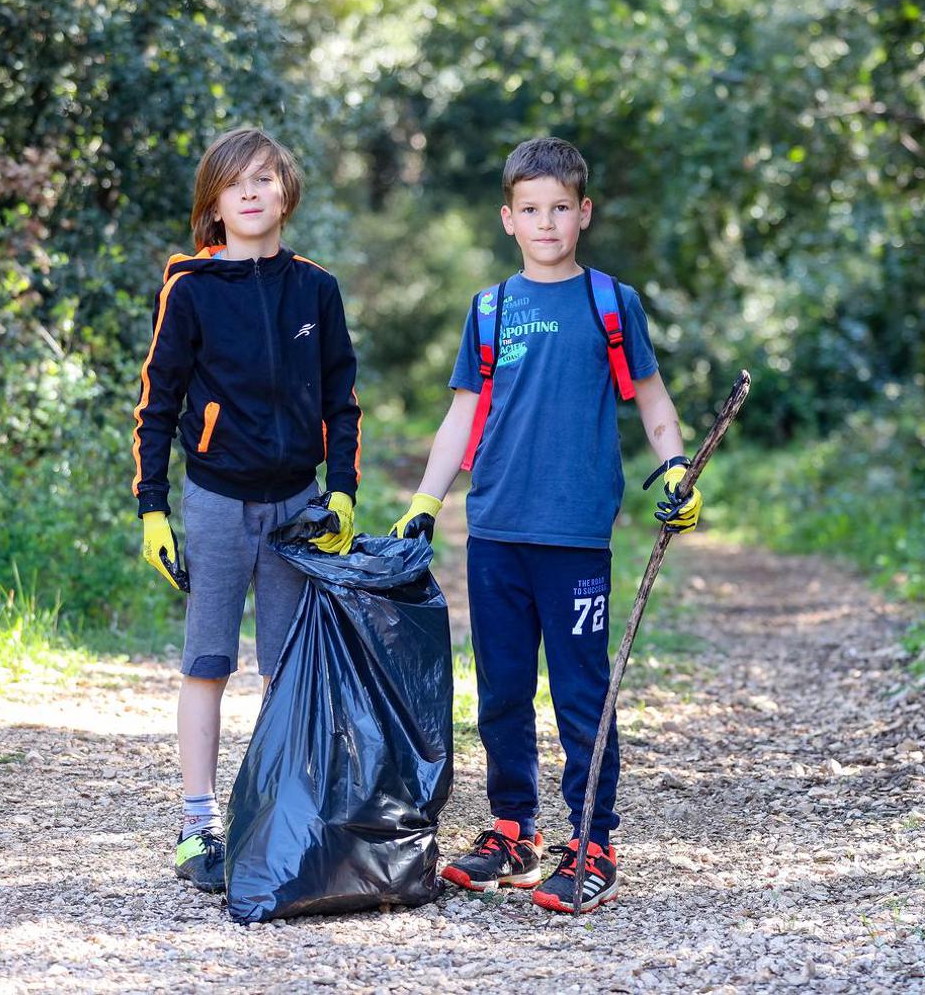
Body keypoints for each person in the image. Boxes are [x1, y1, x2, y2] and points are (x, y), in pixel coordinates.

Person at [387, 136, 703, 914]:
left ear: (583, 213)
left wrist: (675, 470)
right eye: (531, 210)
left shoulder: (610, 303)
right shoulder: (490, 310)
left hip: (574, 538)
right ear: (508, 219)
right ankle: (512, 832)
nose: (547, 222)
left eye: (561, 208)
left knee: (580, 692)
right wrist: (427, 499)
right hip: (494, 530)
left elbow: (654, 402)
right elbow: (464, 416)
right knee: (499, 690)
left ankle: (593, 842)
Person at [131, 126, 362, 893]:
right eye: (238, 183)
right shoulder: (191, 288)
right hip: (218, 502)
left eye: (267, 179)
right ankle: (198, 826)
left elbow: (342, 402)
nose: (254, 192)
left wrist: (342, 492)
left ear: (286, 193)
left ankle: (278, 815)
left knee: (288, 670)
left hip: (299, 507)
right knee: (208, 663)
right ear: (215, 203)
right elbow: (155, 406)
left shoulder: (316, 289)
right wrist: (152, 510)